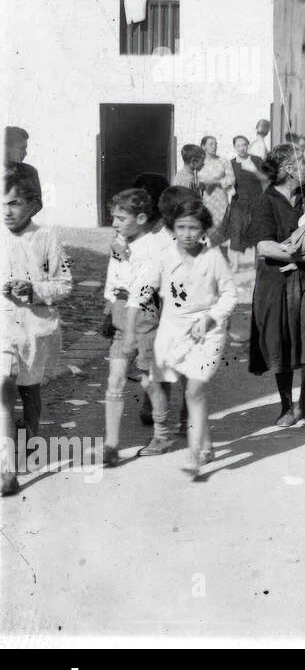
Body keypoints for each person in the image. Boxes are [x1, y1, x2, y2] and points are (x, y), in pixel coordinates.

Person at [137, 199, 237, 479]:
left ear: (204, 228)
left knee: (194, 391)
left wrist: (210, 318)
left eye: (194, 227)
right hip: (172, 331)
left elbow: (230, 294)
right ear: (172, 228)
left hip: (207, 330)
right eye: (181, 227)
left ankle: (194, 455)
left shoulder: (214, 256)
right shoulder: (164, 255)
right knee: (179, 388)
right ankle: (206, 444)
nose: (188, 233)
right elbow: (147, 284)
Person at [248, 145, 305, 427]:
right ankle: (286, 406)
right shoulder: (266, 201)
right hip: (278, 282)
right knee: (281, 341)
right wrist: (304, 254)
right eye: (302, 162)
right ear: (286, 168)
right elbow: (264, 247)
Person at [0, 171, 71, 496]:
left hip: (34, 329)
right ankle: (6, 471)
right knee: (3, 389)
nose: (7, 211)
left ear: (35, 205)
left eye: (14, 203)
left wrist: (34, 289)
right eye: (2, 204)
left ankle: (31, 437)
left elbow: (64, 284)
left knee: (28, 391)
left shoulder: (47, 238)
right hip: (2, 326)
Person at [101, 188, 171, 466]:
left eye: (120, 218)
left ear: (141, 218)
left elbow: (144, 289)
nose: (114, 223)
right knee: (114, 382)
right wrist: (109, 308)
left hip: (143, 322)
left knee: (148, 381)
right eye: (113, 217)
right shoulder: (120, 242)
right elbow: (113, 276)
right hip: (121, 320)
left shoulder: (154, 245)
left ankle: (162, 433)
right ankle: (111, 444)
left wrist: (130, 331)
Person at [223, 135, 264, 268]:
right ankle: (235, 265)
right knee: (237, 231)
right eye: (238, 145)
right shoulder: (231, 163)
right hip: (238, 202)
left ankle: (257, 264)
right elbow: (226, 182)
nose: (241, 148)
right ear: (234, 147)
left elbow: (265, 178)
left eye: (244, 145)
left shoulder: (257, 160)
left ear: (248, 145)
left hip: (256, 200)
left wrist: (254, 170)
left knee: (257, 230)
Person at [197, 135, 235, 248]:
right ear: (203, 147)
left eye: (215, 144)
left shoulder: (223, 161)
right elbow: (195, 179)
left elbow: (232, 179)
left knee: (220, 229)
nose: (214, 146)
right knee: (207, 230)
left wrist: (217, 182)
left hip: (221, 201)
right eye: (211, 144)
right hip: (205, 200)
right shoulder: (199, 163)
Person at [4, 127, 41, 199]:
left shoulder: (30, 172)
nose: (25, 153)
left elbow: (37, 203)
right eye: (22, 148)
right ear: (7, 148)